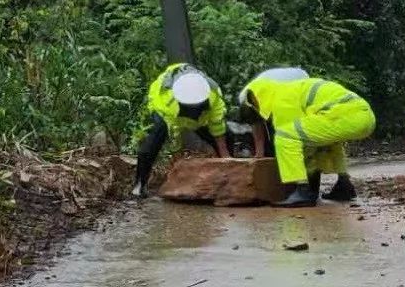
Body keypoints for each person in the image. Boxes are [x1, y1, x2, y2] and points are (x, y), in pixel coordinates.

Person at [240, 71, 376, 207]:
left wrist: (310, 178)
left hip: (346, 115)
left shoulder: (281, 101)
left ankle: (302, 191)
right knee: (328, 141)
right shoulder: (289, 90)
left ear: (257, 98)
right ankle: (344, 185)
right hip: (363, 115)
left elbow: (301, 147)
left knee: (284, 136)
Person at [133, 63, 229, 198]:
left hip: (202, 117)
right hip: (162, 110)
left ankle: (228, 177)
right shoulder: (167, 103)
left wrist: (226, 158)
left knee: (227, 137)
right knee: (151, 144)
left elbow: (218, 127)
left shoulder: (214, 96)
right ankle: (139, 186)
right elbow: (173, 134)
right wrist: (177, 163)